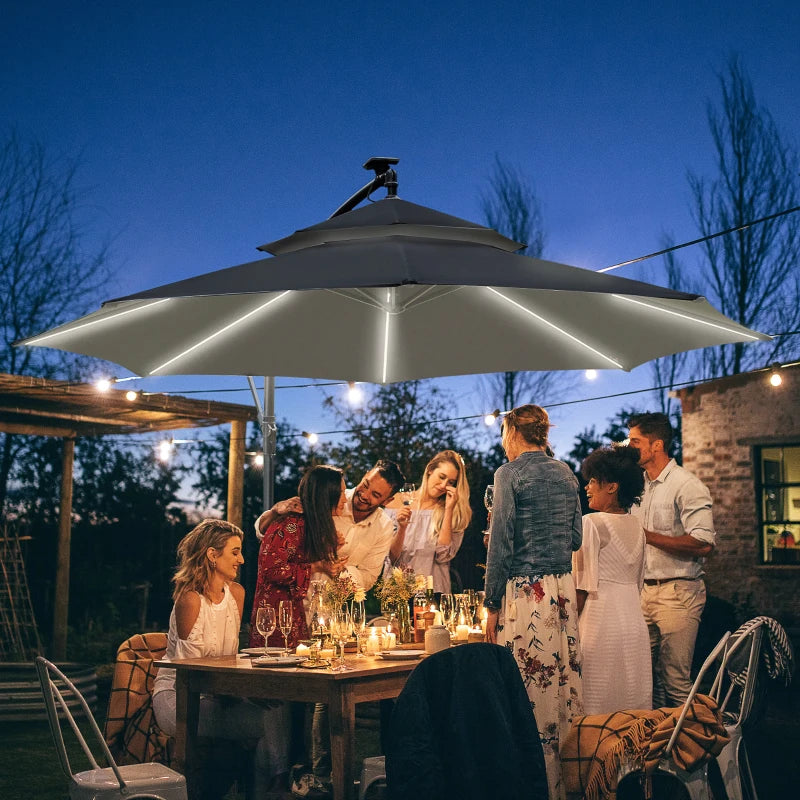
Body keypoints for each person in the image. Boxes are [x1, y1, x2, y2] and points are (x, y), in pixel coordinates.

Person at [255, 460, 405, 800]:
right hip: (295, 604)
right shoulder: (332, 496)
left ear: (387, 500)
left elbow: (368, 577)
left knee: (327, 692)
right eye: (365, 485)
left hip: (330, 608)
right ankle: (296, 769)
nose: (362, 495)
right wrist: (276, 510)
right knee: (297, 691)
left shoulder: (384, 527)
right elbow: (268, 534)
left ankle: (322, 773)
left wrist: (336, 570)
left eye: (375, 495)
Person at [483, 404, 584, 800]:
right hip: (562, 593)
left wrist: (491, 604)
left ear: (512, 433)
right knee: (561, 686)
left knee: (528, 689)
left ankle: (533, 786)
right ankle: (567, 782)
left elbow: (501, 545)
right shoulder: (567, 473)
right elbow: (575, 538)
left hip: (528, 595)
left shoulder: (509, 474)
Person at [152, 519, 289, 799]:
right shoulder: (190, 600)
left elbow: (229, 658)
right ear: (212, 555)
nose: (242, 559)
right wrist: (242, 694)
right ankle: (263, 790)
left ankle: (266, 788)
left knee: (276, 710)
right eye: (235, 552)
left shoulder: (236, 593)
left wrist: (245, 691)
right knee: (263, 720)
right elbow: (191, 674)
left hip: (218, 693)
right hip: (179, 697)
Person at [628, 412, 716, 707]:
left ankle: (693, 737)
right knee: (644, 680)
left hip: (679, 594)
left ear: (657, 445)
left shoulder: (686, 485)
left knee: (675, 680)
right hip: (642, 593)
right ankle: (655, 737)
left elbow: (703, 543)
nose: (630, 447)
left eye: (635, 441)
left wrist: (648, 536)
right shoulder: (637, 486)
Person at [572, 445, 652, 714]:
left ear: (612, 487)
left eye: (593, 481)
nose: (587, 487)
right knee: (630, 700)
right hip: (633, 623)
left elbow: (581, 588)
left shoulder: (591, 523)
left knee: (596, 702)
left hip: (600, 622)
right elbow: (638, 582)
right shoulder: (638, 527)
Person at [249, 465, 347, 650]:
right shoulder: (291, 523)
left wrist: (329, 549)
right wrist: (318, 566)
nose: (345, 499)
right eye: (341, 492)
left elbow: (297, 559)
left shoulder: (309, 524)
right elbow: (271, 570)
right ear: (326, 495)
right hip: (276, 618)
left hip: (293, 612)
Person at [383, 449, 472, 593]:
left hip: (434, 592)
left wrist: (449, 509)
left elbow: (443, 556)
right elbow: (390, 557)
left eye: (450, 482)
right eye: (441, 477)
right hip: (397, 593)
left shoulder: (453, 512)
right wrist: (402, 528)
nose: (443, 485)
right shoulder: (396, 502)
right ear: (430, 470)